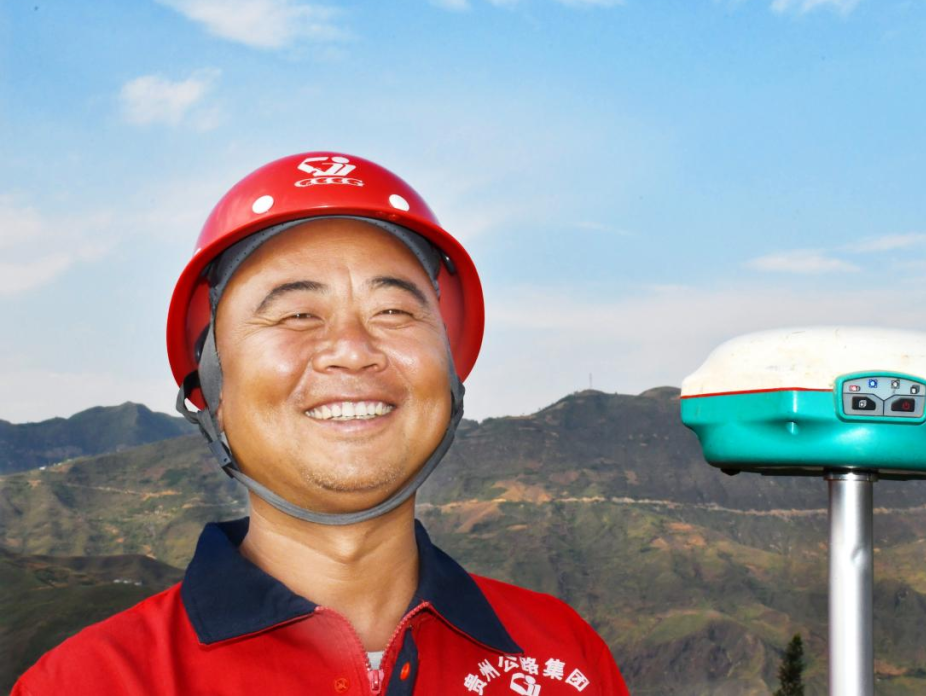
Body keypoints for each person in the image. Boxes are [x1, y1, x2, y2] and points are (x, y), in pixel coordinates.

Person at [13, 152, 629, 695]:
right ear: (214, 389)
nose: (352, 350)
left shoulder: (564, 658)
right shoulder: (89, 683)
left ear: (448, 376)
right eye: (297, 315)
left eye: (394, 311)